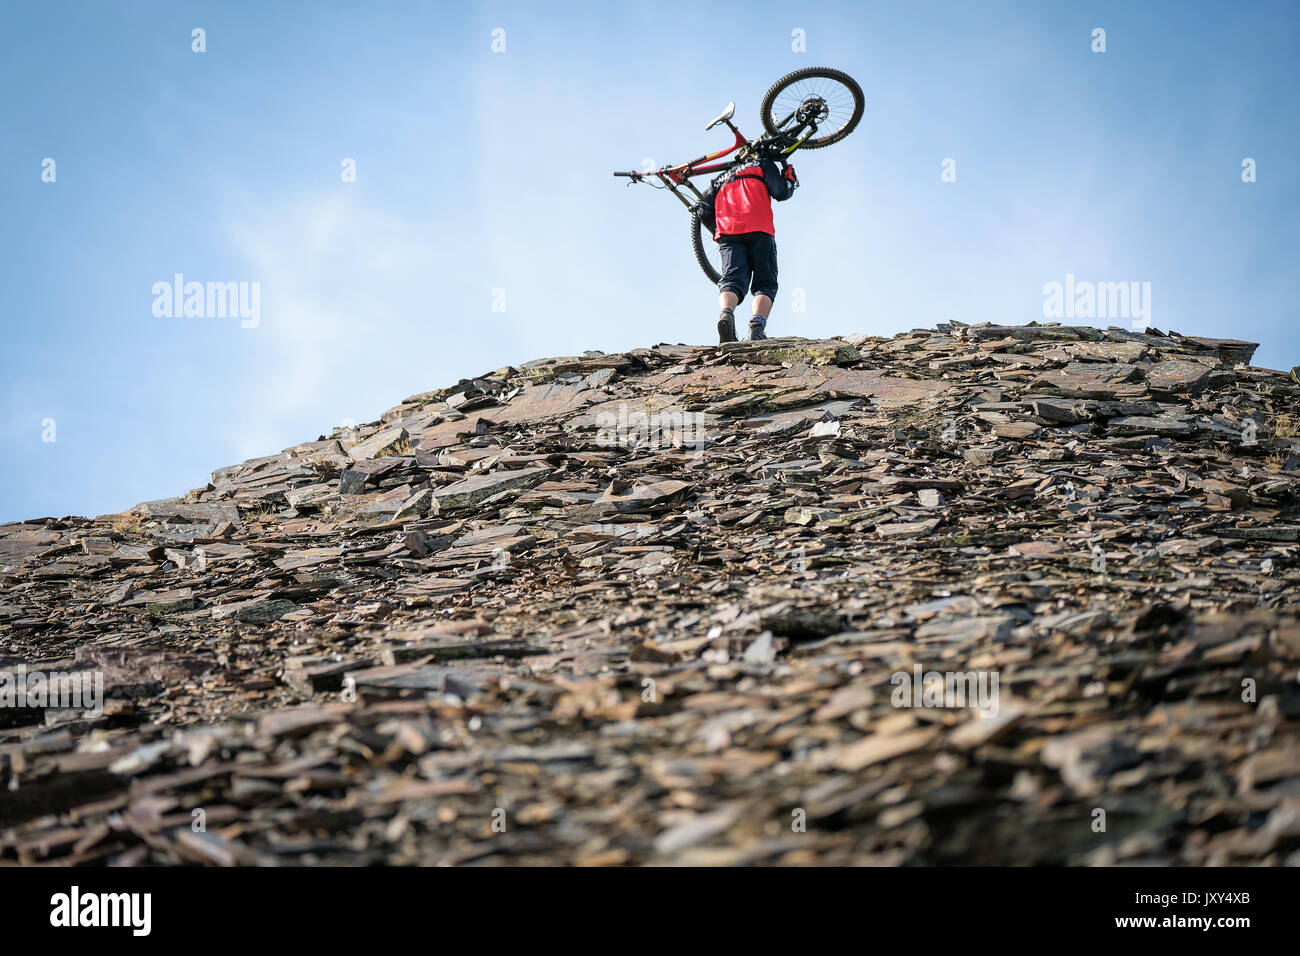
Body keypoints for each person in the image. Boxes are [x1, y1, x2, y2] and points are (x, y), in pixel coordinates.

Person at [707, 155, 798, 343]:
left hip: (728, 231)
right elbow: (781, 192)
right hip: (759, 227)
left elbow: (703, 210)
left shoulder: (719, 178)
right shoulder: (763, 164)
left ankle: (726, 314)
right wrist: (790, 179)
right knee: (765, 282)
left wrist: (719, 230)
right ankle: (757, 326)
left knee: (731, 280)